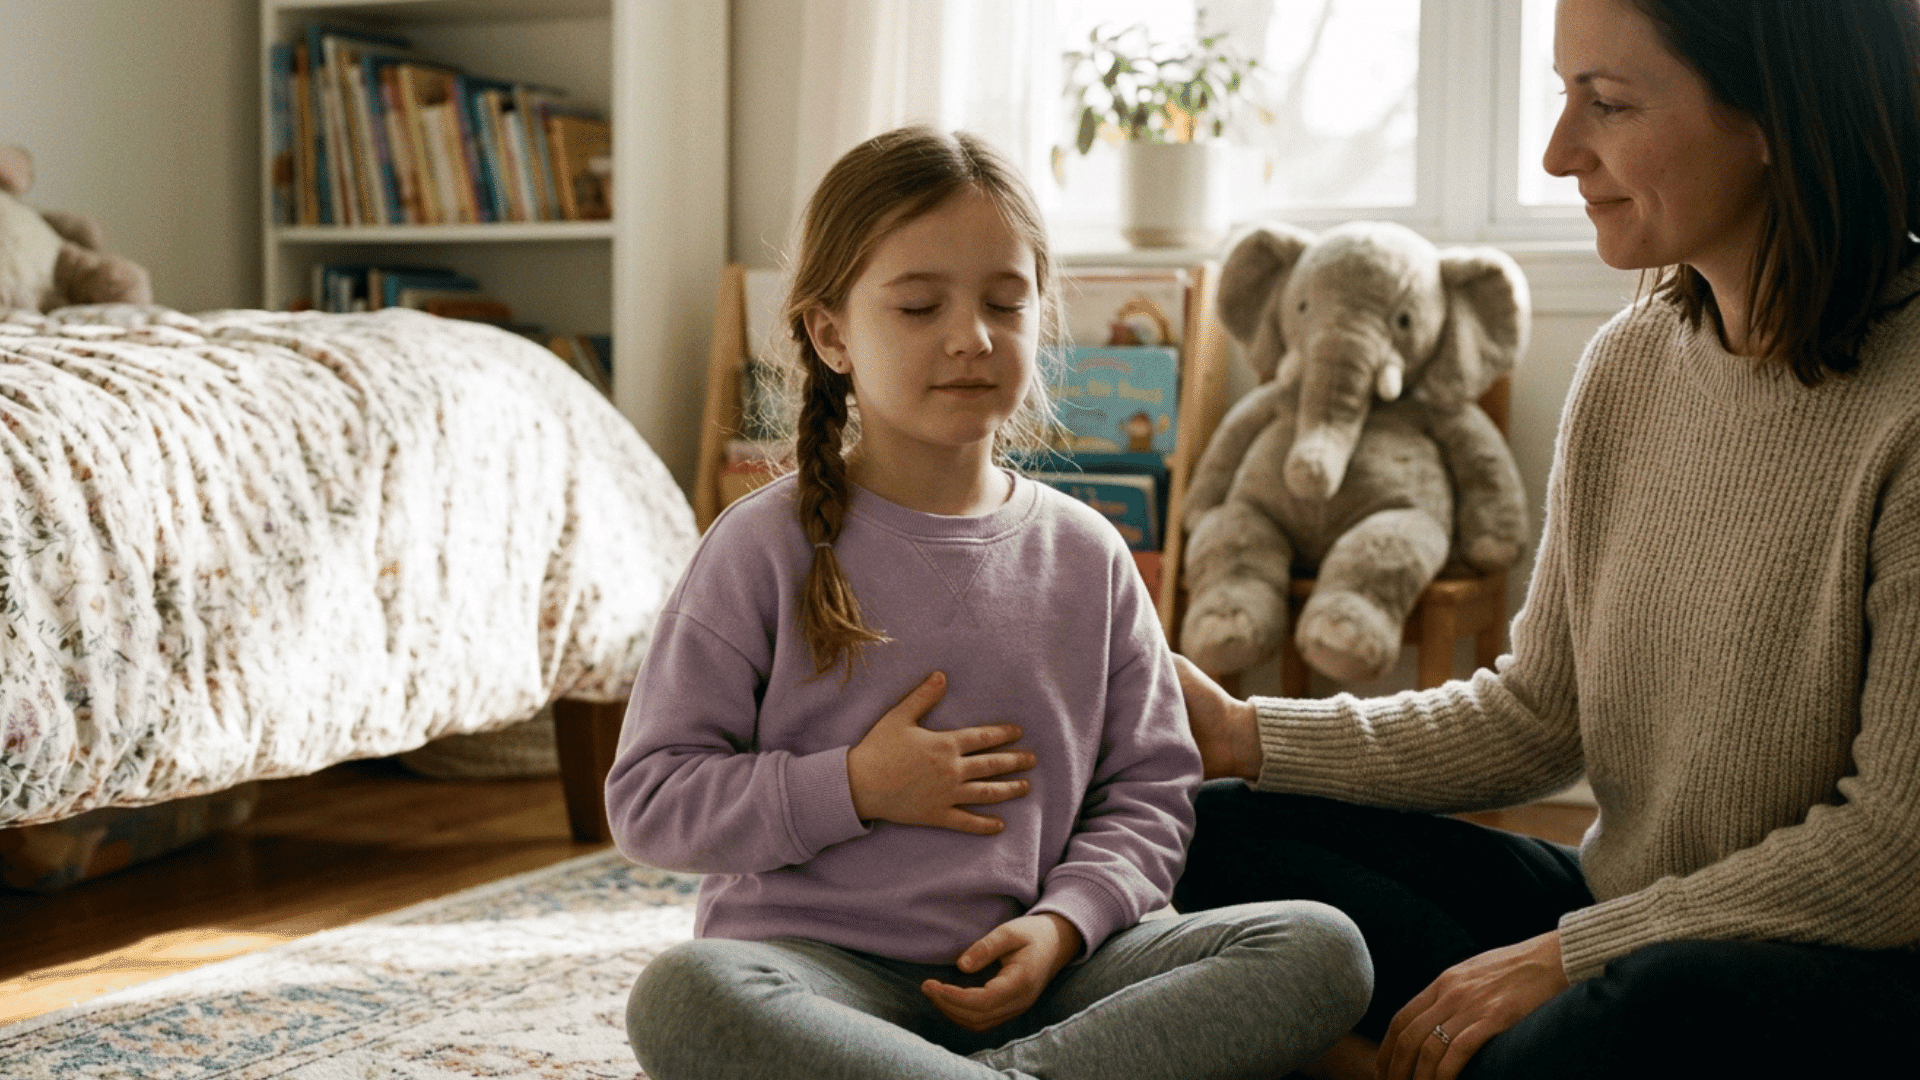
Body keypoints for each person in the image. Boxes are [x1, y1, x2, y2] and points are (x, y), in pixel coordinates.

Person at [1170, 1, 1920, 1078]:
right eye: (1564, 94)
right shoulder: (1630, 362)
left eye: (1606, 103)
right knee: (1211, 826)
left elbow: (1896, 853)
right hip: (1618, 918)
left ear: (1777, 117)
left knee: (1625, 1017)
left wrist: (1568, 956)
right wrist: (1248, 733)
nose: (1559, 152)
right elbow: (1540, 715)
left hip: (1824, 965)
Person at [605, 125, 1372, 1080]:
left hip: (1048, 983)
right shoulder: (761, 547)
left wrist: (1065, 922)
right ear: (830, 333)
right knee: (684, 996)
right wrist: (856, 784)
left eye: (1005, 304)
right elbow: (650, 800)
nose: (970, 337)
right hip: (815, 979)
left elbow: (1151, 789)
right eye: (920, 306)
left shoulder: (1090, 556)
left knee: (1318, 946)